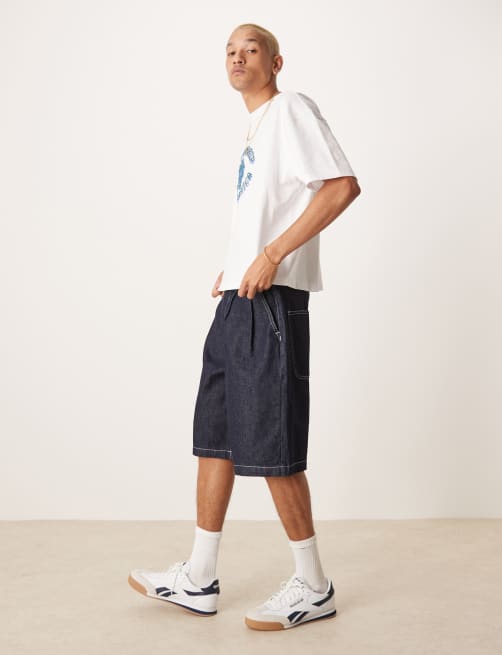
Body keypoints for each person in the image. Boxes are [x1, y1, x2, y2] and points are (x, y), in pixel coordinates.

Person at [128, 22, 361, 631]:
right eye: (229, 51)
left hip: (272, 302)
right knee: (217, 435)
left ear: (276, 62)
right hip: (239, 297)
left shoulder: (290, 109)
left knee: (273, 444)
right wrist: (237, 266)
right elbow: (270, 210)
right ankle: (199, 577)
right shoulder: (256, 127)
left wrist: (270, 255)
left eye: (250, 49)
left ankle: (314, 585)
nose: (237, 57)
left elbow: (341, 187)